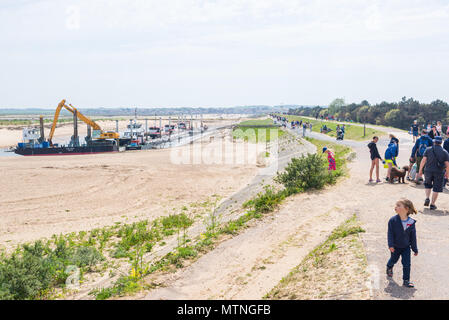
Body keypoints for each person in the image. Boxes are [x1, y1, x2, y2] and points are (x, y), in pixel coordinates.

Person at [386, 199, 418, 288]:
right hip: (395, 247)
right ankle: (389, 266)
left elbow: (413, 237)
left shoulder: (411, 222)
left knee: (407, 264)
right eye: (396, 205)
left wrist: (414, 249)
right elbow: (390, 234)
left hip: (406, 247)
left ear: (406, 209)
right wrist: (391, 245)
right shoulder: (393, 220)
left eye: (398, 205)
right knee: (393, 260)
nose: (395, 207)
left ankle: (406, 280)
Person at [416, 136, 449, 210]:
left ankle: (427, 198)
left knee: (427, 185)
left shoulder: (428, 150)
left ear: (434, 141)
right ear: (441, 142)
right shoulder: (445, 152)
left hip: (428, 171)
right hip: (439, 172)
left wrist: (420, 170)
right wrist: (447, 174)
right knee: (436, 188)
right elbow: (447, 165)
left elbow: (423, 161)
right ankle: (432, 204)